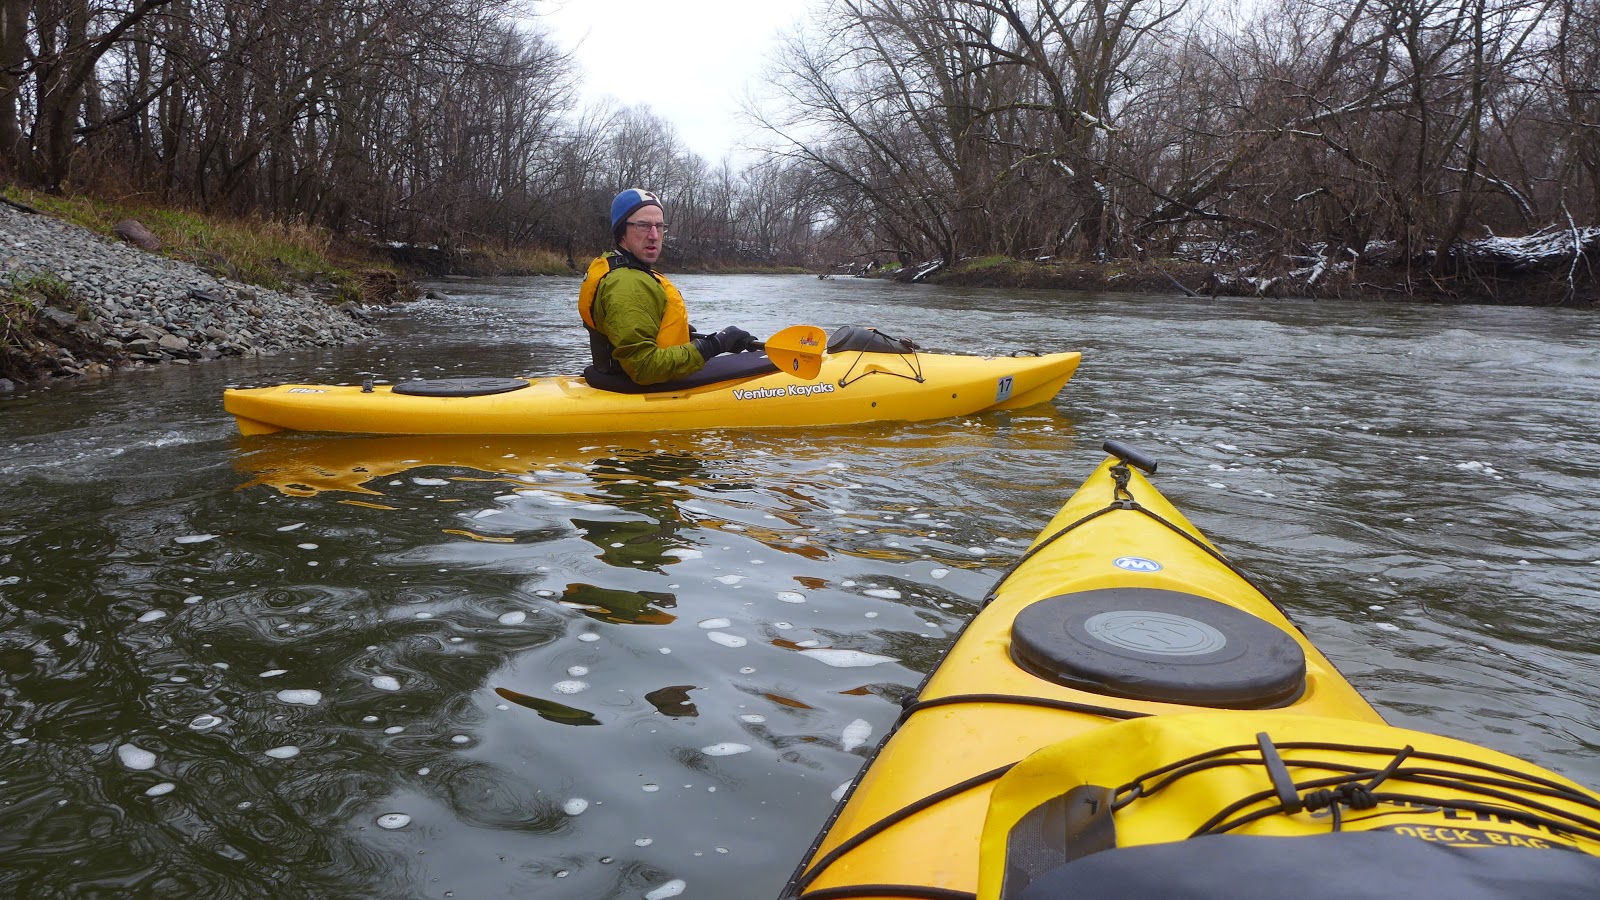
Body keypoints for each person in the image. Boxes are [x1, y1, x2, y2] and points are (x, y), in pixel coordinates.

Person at [578, 188, 756, 385]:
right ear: (622, 231)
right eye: (643, 225)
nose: (654, 235)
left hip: (618, 376)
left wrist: (677, 332)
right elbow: (644, 367)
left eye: (660, 226)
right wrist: (714, 345)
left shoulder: (618, 269)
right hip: (640, 387)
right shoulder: (627, 284)